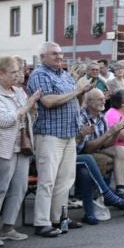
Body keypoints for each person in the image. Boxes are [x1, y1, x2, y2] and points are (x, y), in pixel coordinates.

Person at [27, 43, 93, 237]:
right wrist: (77, 92)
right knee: (47, 180)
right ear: (42, 57)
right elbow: (48, 101)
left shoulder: (64, 75)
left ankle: (59, 218)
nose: (59, 57)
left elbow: (76, 102)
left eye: (61, 54)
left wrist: (82, 93)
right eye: (54, 54)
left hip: (69, 133)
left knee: (65, 180)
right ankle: (41, 222)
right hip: (50, 134)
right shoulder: (40, 75)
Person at [0, 56, 39, 246]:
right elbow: (4, 121)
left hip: (22, 146)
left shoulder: (18, 91)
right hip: (1, 149)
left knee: (20, 187)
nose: (17, 75)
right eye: (13, 72)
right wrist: (26, 106)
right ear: (0, 73)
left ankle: (8, 227)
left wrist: (32, 110)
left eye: (18, 71)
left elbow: (28, 118)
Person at [77, 89, 124, 221]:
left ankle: (123, 193)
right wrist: (110, 133)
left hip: (101, 149)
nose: (103, 101)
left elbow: (107, 144)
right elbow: (87, 148)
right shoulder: (82, 117)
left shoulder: (101, 117)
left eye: (103, 99)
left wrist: (116, 132)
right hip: (84, 154)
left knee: (122, 152)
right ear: (89, 102)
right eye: (100, 99)